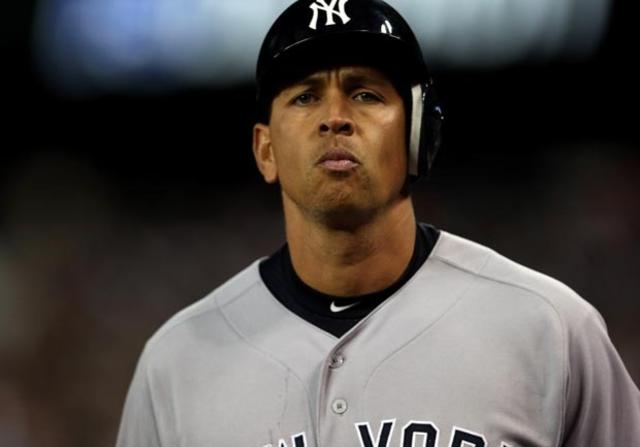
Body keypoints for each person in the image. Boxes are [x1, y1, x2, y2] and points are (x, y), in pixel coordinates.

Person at [116, 1, 640, 446]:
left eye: (366, 93)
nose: (335, 117)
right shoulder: (176, 363)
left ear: (418, 137)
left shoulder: (549, 328)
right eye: (305, 96)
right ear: (266, 149)